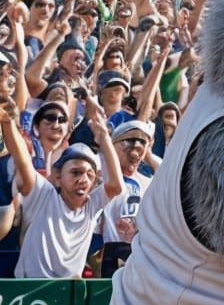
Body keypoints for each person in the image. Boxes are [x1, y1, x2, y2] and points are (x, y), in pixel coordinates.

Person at [1, 91, 123, 278]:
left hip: (67, 296)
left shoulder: (90, 208)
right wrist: (8, 122)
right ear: (57, 176)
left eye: (89, 175)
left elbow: (116, 186)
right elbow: (24, 161)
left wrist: (104, 138)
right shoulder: (43, 195)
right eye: (75, 172)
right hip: (28, 295)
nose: (83, 179)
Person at [98, 119, 155, 276]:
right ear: (113, 145)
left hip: (139, 253)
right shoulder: (99, 175)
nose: (136, 148)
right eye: (129, 141)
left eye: (142, 142)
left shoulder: (149, 183)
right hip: (104, 253)